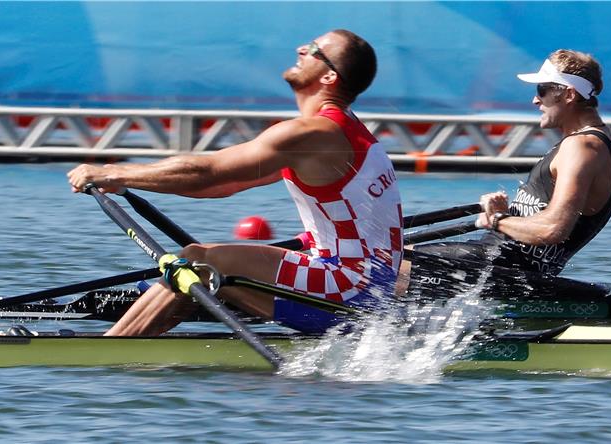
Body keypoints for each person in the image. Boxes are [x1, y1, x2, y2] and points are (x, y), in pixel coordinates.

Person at [67, 29, 404, 335]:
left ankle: (112, 350)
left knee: (202, 262)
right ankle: (147, 328)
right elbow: (221, 187)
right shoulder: (342, 132)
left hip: (347, 289)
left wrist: (113, 173)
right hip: (364, 286)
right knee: (199, 261)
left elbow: (208, 173)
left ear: (330, 76)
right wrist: (133, 183)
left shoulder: (314, 134)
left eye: (314, 48)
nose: (302, 47)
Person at [399, 49, 611, 298]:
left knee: (387, 264)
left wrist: (497, 220)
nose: (535, 100)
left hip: (504, 265)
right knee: (392, 256)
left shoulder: (583, 147)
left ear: (570, 94)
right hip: (497, 258)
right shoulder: (586, 143)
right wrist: (507, 216)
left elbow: (553, 229)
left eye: (542, 89)